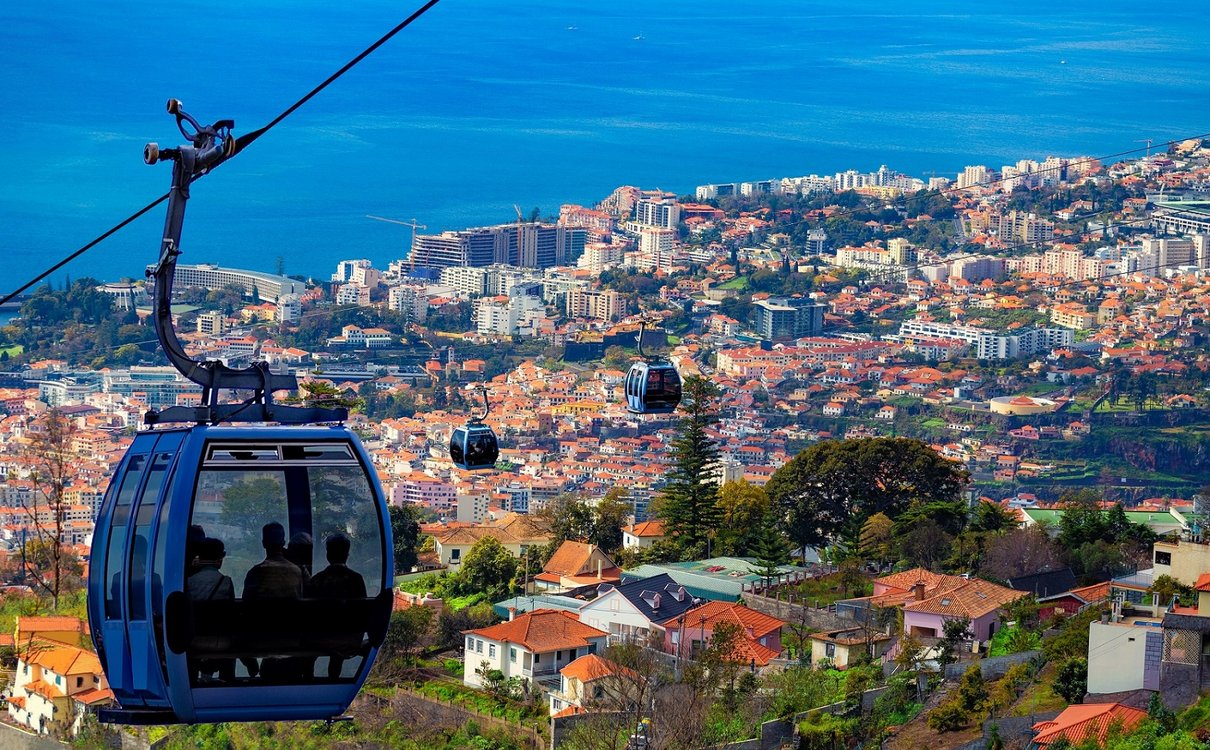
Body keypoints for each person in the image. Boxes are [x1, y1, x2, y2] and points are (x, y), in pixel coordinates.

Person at [241, 522, 303, 679]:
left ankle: (252, 665)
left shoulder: (255, 573)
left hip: (261, 638)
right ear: (283, 543)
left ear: (263, 544)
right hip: (291, 638)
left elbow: (245, 607)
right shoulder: (296, 571)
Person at [308, 533, 368, 679]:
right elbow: (363, 612)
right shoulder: (356, 579)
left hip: (320, 639)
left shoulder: (317, 580)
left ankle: (309, 677)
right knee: (340, 637)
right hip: (349, 640)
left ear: (328, 554)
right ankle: (333, 678)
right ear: (347, 554)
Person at [186, 537, 235, 682]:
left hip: (194, 641)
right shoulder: (226, 582)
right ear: (219, 558)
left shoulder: (189, 582)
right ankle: (228, 681)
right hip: (220, 642)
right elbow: (231, 614)